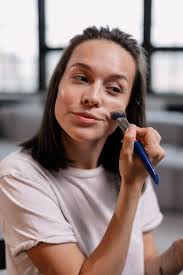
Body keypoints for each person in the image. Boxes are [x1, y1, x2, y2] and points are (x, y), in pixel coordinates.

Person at [0, 26, 182, 275]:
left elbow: (145, 266)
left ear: (127, 107)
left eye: (114, 89)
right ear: (57, 86)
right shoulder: (18, 175)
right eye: (81, 78)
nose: (93, 97)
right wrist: (131, 188)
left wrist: (178, 253)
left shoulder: (133, 167)